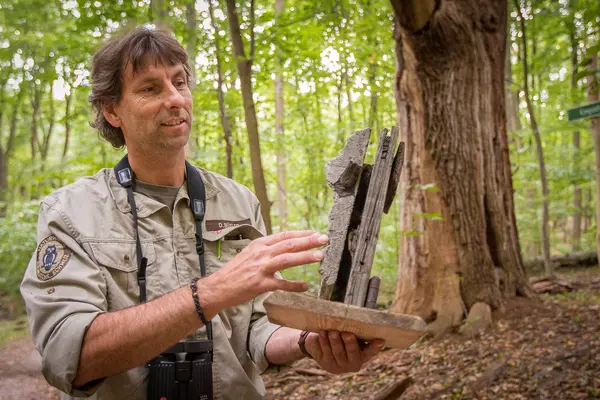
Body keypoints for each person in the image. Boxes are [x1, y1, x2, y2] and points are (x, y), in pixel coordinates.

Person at [20, 27, 384, 400]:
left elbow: (257, 329)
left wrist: (310, 342)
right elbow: (69, 357)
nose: (175, 98)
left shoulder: (239, 203)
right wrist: (211, 292)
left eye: (180, 82)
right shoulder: (70, 213)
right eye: (150, 88)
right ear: (112, 110)